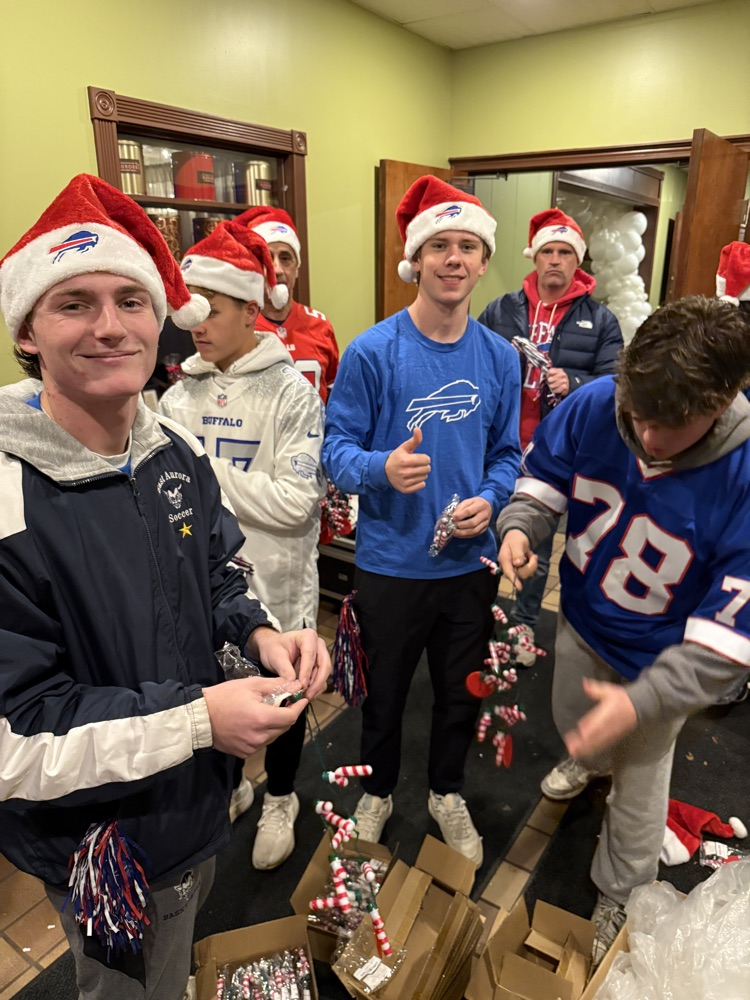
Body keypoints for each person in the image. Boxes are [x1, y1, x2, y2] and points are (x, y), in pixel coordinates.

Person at [0, 174, 330, 1000]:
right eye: (74, 303)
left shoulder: (174, 450)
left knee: (175, 952)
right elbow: (18, 738)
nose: (110, 326)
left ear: (160, 320)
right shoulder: (7, 497)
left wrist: (259, 633)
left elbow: (219, 572)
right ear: (28, 332)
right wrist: (198, 720)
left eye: (131, 300)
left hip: (192, 804)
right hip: (98, 839)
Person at [495, 295, 750, 963]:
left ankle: (625, 890)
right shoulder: (597, 402)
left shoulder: (745, 476)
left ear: (721, 404)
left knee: (641, 783)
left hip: (663, 660)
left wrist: (640, 703)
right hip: (582, 615)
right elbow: (543, 480)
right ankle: (589, 762)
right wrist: (521, 527)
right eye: (636, 412)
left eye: (669, 424)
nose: (644, 435)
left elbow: (729, 644)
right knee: (572, 720)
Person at [322, 175, 521, 867]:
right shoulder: (373, 352)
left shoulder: (499, 357)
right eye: (441, 244)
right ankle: (377, 791)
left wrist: (492, 501)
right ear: (417, 258)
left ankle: (445, 790)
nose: (455, 258)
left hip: (469, 565)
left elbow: (506, 453)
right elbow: (335, 450)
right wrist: (382, 469)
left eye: (468, 246)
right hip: (389, 565)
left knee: (461, 691)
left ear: (484, 260)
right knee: (382, 693)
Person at [159, 220, 325, 871]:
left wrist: (199, 473)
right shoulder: (176, 396)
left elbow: (294, 503)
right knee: (220, 693)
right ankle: (236, 785)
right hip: (206, 585)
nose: (196, 321)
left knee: (282, 696)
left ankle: (282, 796)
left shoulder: (292, 393)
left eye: (214, 308)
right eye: (191, 305)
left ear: (250, 308)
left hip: (278, 579)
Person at [478, 208, 622, 671]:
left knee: (532, 550)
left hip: (554, 455)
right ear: (535, 257)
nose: (555, 261)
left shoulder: (600, 321)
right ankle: (477, 624)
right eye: (547, 252)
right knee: (483, 536)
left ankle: (520, 627)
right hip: (497, 445)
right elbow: (472, 359)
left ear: (577, 262)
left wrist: (575, 384)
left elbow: (618, 383)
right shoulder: (501, 309)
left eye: (564, 253)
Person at [237, 206, 339, 402]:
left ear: (297, 268)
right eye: (267, 259)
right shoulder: (238, 327)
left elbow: (336, 396)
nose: (277, 269)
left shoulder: (321, 325)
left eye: (285, 258)